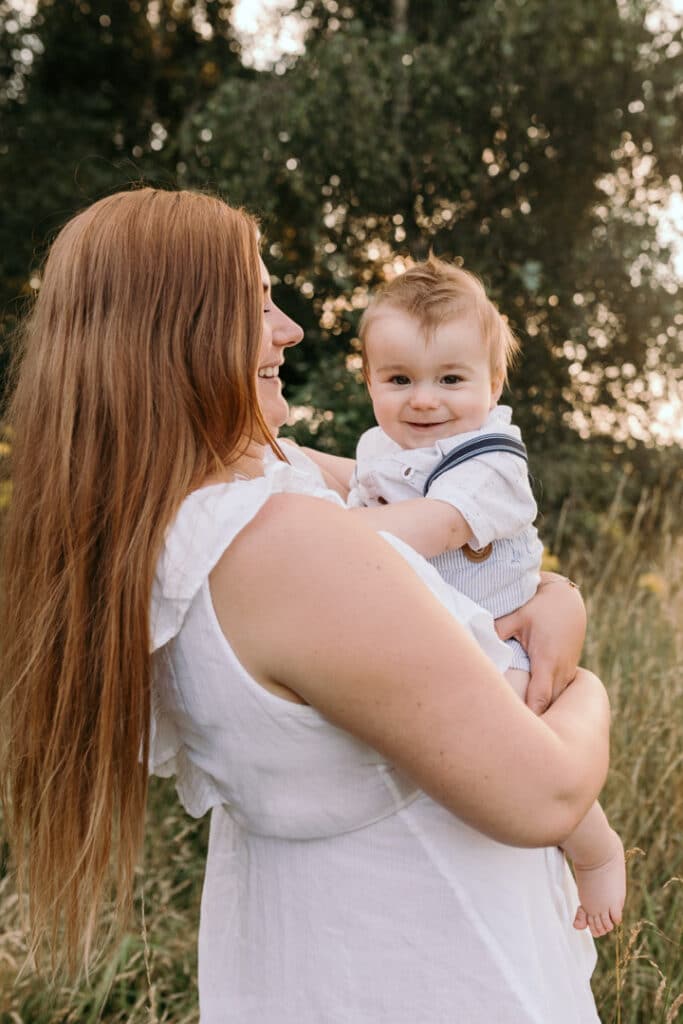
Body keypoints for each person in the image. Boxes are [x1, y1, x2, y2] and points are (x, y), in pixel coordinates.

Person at [1, 188, 610, 1023]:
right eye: (257, 304)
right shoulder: (284, 543)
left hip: (309, 965)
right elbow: (543, 796)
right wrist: (584, 690)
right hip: (433, 975)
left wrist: (552, 592)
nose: (288, 328)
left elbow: (405, 512)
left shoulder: (175, 520)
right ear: (175, 331)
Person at [343, 256, 625, 938]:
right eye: (398, 379)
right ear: (371, 381)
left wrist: (323, 534)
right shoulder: (378, 447)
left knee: (525, 754)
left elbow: (434, 526)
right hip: (436, 636)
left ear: (491, 383)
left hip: (496, 637)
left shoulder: (492, 459)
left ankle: (593, 850)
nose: (424, 400)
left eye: (450, 380)